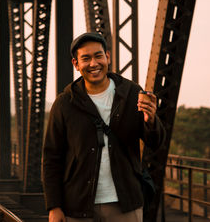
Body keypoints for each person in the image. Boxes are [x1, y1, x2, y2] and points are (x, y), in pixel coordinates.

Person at [42, 32, 164, 222]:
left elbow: (155, 143)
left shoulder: (131, 93)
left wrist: (150, 121)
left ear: (107, 57)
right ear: (76, 64)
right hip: (78, 205)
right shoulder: (65, 103)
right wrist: (54, 206)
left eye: (98, 56)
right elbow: (52, 157)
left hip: (125, 203)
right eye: (86, 58)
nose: (93, 63)